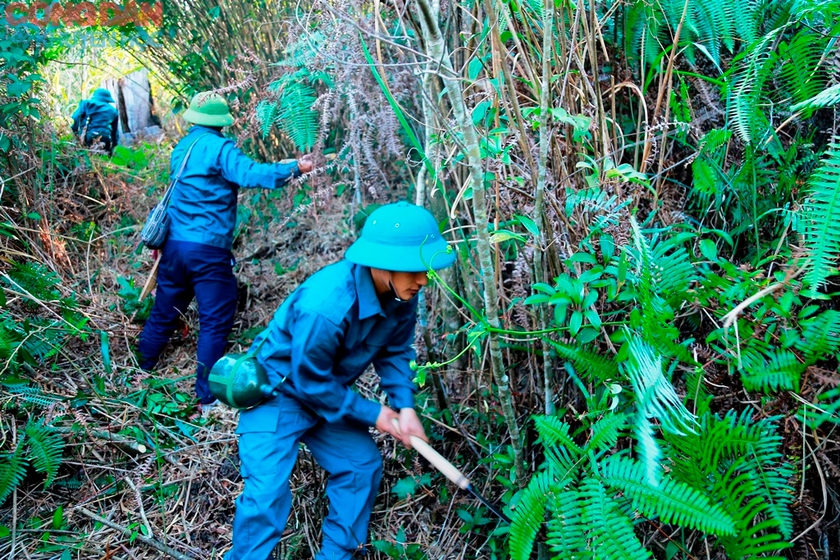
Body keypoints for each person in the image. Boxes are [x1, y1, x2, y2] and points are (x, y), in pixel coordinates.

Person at [225, 202, 455, 560]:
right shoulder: (327, 304)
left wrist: (404, 406)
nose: (423, 280)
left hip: (327, 395)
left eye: (424, 269)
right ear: (380, 263)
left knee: (361, 466)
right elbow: (308, 381)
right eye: (415, 270)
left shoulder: (402, 293)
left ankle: (337, 554)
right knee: (266, 492)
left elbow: (395, 352)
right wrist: (373, 414)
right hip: (279, 393)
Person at [137, 91, 314, 408]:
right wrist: (296, 168)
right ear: (222, 123)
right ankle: (207, 397)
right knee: (215, 321)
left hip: (174, 247)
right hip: (207, 251)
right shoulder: (220, 149)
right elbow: (251, 175)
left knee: (164, 310)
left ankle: (142, 370)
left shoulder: (183, 148)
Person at [71, 88, 119, 155]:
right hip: (106, 138)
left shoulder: (86, 103)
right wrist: (112, 147)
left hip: (89, 135)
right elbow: (114, 133)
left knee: (86, 156)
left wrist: (75, 132)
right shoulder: (113, 111)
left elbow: (76, 117)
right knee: (103, 159)